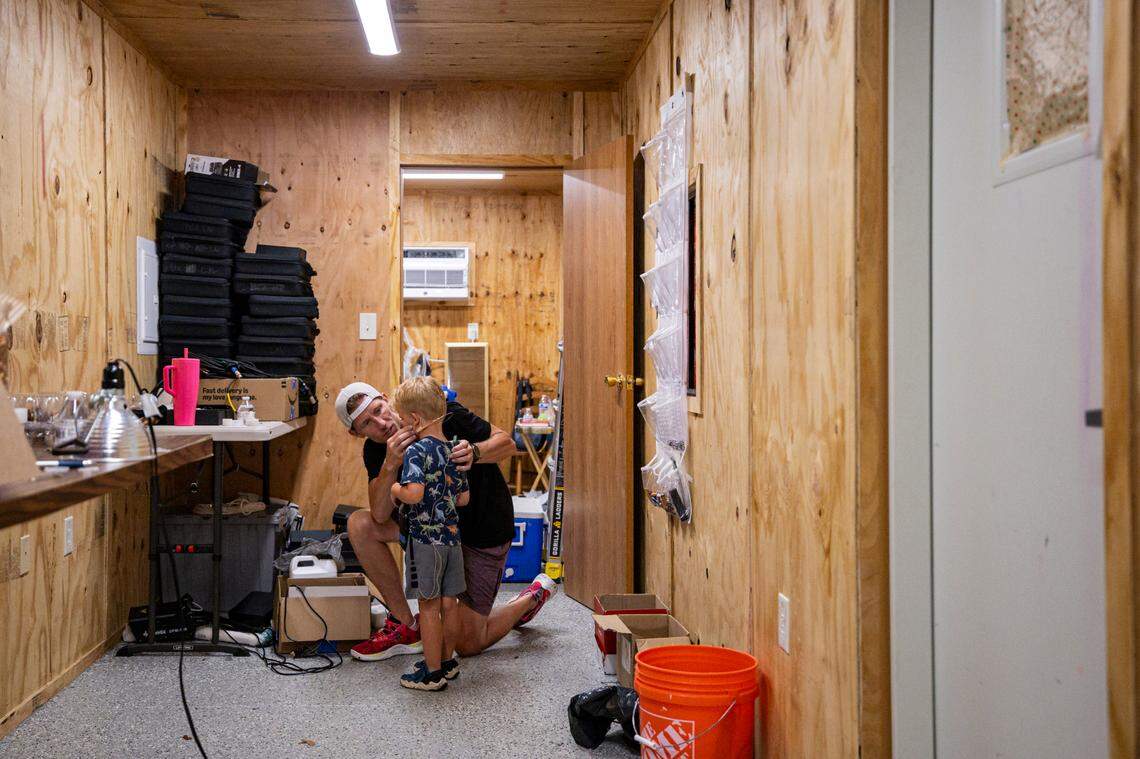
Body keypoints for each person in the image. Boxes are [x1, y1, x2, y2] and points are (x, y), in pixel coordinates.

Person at [334, 380, 557, 662]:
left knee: (467, 644)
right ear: (356, 433)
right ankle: (405, 625)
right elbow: (379, 515)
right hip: (433, 533)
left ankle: (530, 598)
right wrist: (390, 464)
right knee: (360, 524)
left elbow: (507, 444)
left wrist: (475, 453)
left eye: (380, 409)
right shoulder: (376, 451)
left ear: (387, 399)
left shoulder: (443, 414)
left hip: (481, 531)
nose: (382, 422)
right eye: (368, 422)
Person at [388, 377, 468, 691]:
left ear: (416, 420)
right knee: (451, 603)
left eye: (402, 420)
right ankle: (447, 662)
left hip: (427, 541)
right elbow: (463, 499)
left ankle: (431, 673)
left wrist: (396, 488)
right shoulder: (454, 447)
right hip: (453, 539)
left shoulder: (416, 451)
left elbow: (415, 493)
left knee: (429, 606)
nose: (400, 426)